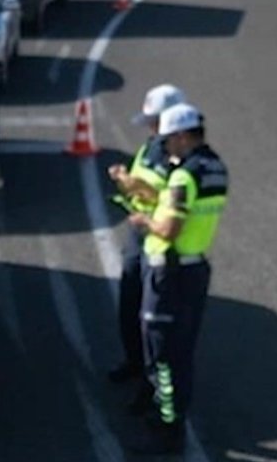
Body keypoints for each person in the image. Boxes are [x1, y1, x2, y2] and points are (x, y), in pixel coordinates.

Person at [127, 103, 228, 454]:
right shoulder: (216, 168)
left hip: (170, 274)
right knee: (181, 352)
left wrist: (144, 221)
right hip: (194, 269)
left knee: (162, 354)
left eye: (169, 140)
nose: (166, 147)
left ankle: (167, 428)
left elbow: (169, 227)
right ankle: (170, 420)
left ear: (184, 137)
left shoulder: (184, 176)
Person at [105, 84, 187, 409]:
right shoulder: (152, 145)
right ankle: (134, 363)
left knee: (153, 320)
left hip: (160, 242)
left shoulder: (179, 157)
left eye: (154, 121)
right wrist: (127, 182)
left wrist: (131, 183)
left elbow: (167, 198)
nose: (150, 127)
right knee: (129, 304)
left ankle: (152, 388)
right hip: (139, 235)